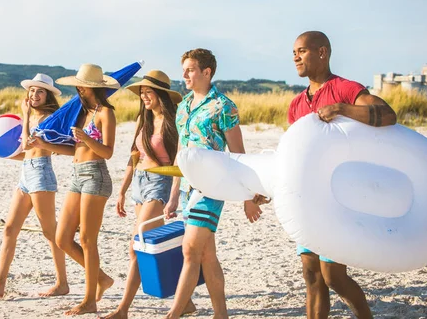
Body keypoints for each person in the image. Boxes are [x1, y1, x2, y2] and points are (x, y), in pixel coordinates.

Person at [289, 31, 397, 319]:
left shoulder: (346, 89)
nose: (295, 56)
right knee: (311, 275)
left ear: (322, 52)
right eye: (294, 52)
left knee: (333, 275)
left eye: (302, 50)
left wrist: (342, 109)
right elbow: (292, 153)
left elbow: (387, 114)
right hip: (307, 199)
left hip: (340, 197)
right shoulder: (296, 104)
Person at [163, 49, 265, 319]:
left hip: (211, 187)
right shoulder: (183, 106)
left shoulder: (224, 106)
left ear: (207, 72)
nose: (184, 74)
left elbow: (238, 153)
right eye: (183, 69)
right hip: (186, 189)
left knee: (190, 249)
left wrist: (247, 197)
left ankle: (172, 315)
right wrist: (173, 195)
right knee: (207, 256)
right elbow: (180, 153)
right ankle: (222, 315)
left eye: (190, 69)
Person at [103, 70, 195, 319]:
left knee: (137, 247)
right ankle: (184, 301)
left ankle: (122, 309)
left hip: (159, 181)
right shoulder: (142, 119)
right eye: (141, 92)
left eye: (148, 92)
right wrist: (122, 190)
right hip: (139, 185)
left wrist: (174, 193)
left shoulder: (173, 121)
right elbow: (134, 156)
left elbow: (180, 160)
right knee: (150, 246)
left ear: (161, 94)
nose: (144, 96)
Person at [29, 63, 117, 316]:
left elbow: (108, 152)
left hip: (95, 177)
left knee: (88, 240)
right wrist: (44, 144)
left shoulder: (105, 113)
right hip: (77, 176)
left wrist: (87, 138)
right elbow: (75, 150)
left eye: (82, 85)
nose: (79, 89)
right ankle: (101, 279)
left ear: (91, 88)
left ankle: (90, 300)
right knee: (63, 238)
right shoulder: (82, 114)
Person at [0, 73, 69, 299]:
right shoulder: (32, 116)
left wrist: (26, 115)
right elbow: (27, 153)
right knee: (9, 229)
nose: (34, 94)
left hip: (41, 175)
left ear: (47, 96)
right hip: (26, 173)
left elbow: (29, 144)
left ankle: (62, 283)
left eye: (40, 91)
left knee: (50, 232)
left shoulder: (48, 117)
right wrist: (5, 155)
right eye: (32, 90)